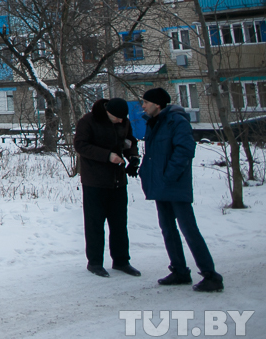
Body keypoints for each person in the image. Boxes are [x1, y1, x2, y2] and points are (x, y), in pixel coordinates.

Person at [140, 87, 224, 292]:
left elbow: (185, 150)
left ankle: (211, 275)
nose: (143, 106)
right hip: (161, 185)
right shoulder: (154, 123)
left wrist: (169, 175)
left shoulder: (177, 121)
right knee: (167, 229)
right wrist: (145, 172)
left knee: (188, 229)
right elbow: (152, 154)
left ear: (157, 104)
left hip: (175, 184)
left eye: (146, 102)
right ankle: (179, 270)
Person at [73, 97, 141, 277]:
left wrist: (133, 157)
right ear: (107, 112)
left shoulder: (123, 121)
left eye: (123, 118)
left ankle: (121, 261)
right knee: (95, 223)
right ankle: (94, 262)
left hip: (118, 180)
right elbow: (80, 145)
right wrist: (107, 156)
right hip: (95, 181)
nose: (120, 120)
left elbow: (129, 141)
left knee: (119, 223)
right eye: (117, 117)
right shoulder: (88, 121)